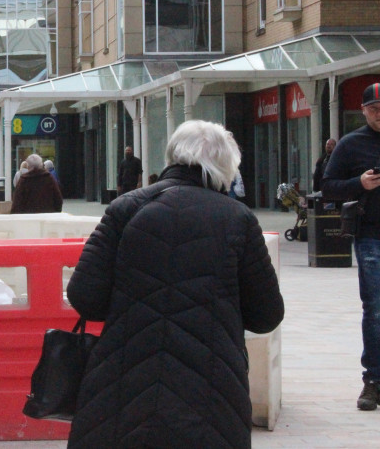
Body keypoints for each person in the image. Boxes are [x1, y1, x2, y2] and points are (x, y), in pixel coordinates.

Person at [66, 119, 284, 448]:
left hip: (123, 383)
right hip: (212, 392)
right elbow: (266, 314)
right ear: (226, 166)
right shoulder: (237, 219)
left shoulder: (125, 209)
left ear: (171, 157)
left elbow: (85, 296)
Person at [322, 83, 380, 410]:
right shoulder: (350, 145)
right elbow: (328, 187)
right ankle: (372, 380)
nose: (379, 115)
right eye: (374, 109)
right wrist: (359, 184)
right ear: (363, 110)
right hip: (371, 235)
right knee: (375, 309)